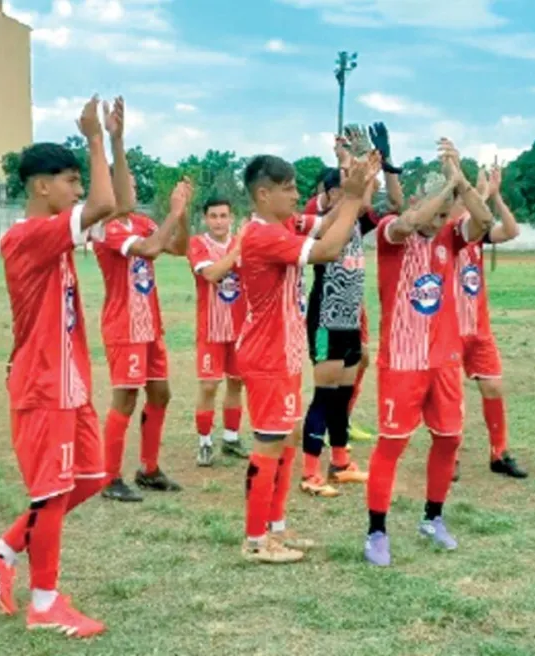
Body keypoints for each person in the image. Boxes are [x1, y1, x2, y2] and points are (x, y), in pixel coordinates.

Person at [0, 96, 117, 637]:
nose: (78, 190)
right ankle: (45, 603)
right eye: (71, 180)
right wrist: (94, 139)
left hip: (70, 383)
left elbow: (114, 202)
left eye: (80, 180)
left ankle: (2, 551)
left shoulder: (55, 235)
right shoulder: (29, 236)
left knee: (92, 477)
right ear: (41, 187)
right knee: (51, 493)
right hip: (43, 382)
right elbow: (102, 206)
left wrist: (115, 143)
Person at [238, 151, 380, 564]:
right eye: (287, 189)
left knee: (285, 440)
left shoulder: (282, 223)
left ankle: (277, 530)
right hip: (265, 356)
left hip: (281, 353)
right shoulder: (262, 235)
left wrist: (358, 188)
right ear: (263, 194)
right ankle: (254, 539)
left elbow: (332, 224)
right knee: (268, 444)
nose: (296, 196)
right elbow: (329, 249)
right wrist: (352, 195)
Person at [364, 139, 493, 567]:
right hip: (402, 360)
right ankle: (376, 532)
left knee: (450, 438)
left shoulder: (450, 239)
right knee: (393, 444)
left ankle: (432, 518)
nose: (439, 222)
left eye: (445, 216)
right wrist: (446, 188)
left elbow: (485, 219)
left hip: (443, 360)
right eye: (436, 214)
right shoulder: (390, 234)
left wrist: (463, 184)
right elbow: (410, 220)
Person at [300, 123, 404, 498]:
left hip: (349, 318)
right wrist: (348, 161)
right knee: (324, 395)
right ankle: (310, 471)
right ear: (328, 194)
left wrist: (382, 166)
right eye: (343, 185)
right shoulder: (317, 220)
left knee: (342, 396)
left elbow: (393, 205)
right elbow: (343, 196)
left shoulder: (357, 221)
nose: (355, 190)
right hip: (327, 316)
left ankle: (340, 461)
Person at [94, 103, 191, 502]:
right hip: (124, 326)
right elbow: (151, 250)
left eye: (132, 181)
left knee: (161, 394)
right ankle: (108, 477)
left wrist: (181, 215)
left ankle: (149, 469)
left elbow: (179, 247)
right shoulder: (109, 228)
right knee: (126, 398)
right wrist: (114, 140)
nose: (132, 186)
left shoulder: (141, 221)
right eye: (126, 182)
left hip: (150, 325)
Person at [454, 165, 527, 480]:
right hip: (448, 329)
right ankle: (449, 456)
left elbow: (510, 231)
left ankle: (499, 454)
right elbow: (467, 220)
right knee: (451, 395)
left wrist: (495, 196)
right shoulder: (447, 232)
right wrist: (481, 193)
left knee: (493, 387)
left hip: (478, 328)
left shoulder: (478, 236)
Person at [187, 198, 249, 467]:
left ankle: (231, 438)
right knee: (209, 385)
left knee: (237, 383)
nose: (219, 221)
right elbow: (211, 274)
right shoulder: (198, 244)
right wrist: (238, 249)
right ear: (205, 219)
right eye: (213, 216)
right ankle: (204, 442)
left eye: (224, 216)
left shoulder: (243, 242)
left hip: (239, 328)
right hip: (211, 329)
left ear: (231, 217)